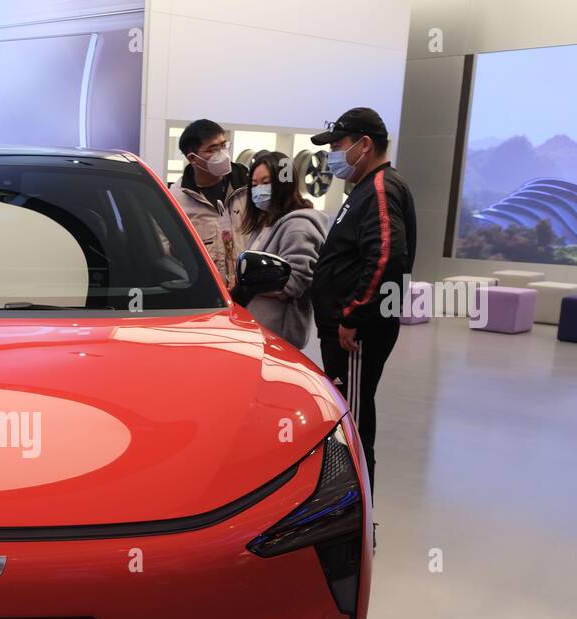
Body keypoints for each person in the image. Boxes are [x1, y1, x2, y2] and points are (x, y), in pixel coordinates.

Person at [308, 107, 416, 500]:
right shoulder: (366, 189)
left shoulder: (382, 188)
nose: (333, 155)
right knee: (348, 415)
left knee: (351, 423)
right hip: (343, 330)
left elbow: (387, 255)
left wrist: (354, 315)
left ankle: (354, 518)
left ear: (364, 144)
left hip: (355, 334)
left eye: (338, 146)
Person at [233, 151, 327, 349]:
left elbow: (294, 282)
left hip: (279, 336)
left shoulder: (299, 225)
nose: (259, 190)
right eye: (255, 184)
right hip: (257, 331)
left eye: (266, 182)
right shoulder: (263, 223)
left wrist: (246, 286)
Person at [170, 119, 250, 286]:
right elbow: (169, 252)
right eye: (213, 149)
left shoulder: (247, 185)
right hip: (211, 292)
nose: (222, 154)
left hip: (249, 288)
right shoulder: (177, 199)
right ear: (193, 158)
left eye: (223, 145)